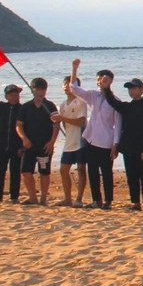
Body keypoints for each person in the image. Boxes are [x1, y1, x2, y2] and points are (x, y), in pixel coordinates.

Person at [67, 61, 122, 210]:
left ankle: (108, 201)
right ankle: (96, 200)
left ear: (111, 81)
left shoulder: (115, 101)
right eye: (100, 79)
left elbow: (118, 124)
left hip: (106, 141)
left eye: (106, 79)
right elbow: (74, 89)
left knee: (106, 172)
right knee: (92, 172)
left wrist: (116, 144)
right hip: (91, 139)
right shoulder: (93, 95)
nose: (102, 81)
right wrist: (74, 68)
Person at [112, 78, 143, 211]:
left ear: (141, 89)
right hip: (129, 147)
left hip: (142, 148)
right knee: (132, 176)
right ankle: (135, 202)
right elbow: (114, 103)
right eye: (129, 89)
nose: (131, 91)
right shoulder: (128, 106)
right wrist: (106, 88)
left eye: (134, 88)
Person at [17, 79, 59, 206]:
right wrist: (24, 138)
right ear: (32, 90)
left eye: (43, 90)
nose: (40, 93)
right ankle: (32, 197)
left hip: (44, 146)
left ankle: (43, 199)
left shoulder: (50, 106)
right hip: (29, 145)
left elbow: (56, 125)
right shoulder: (26, 107)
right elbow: (19, 125)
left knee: (44, 172)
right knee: (25, 171)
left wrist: (52, 142)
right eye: (38, 90)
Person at [0, 84, 25, 204]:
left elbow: (26, 128)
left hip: (16, 145)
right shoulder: (1, 107)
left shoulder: (22, 109)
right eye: (12, 95)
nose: (15, 97)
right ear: (7, 96)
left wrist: (23, 146)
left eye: (17, 94)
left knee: (15, 171)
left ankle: (14, 196)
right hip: (2, 144)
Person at [55, 75, 90, 208]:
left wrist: (63, 118)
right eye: (65, 84)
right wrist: (60, 119)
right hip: (69, 141)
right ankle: (67, 198)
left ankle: (79, 198)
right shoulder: (63, 104)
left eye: (70, 84)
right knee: (64, 169)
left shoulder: (81, 102)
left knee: (81, 168)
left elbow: (81, 121)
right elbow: (63, 124)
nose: (66, 87)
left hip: (80, 140)